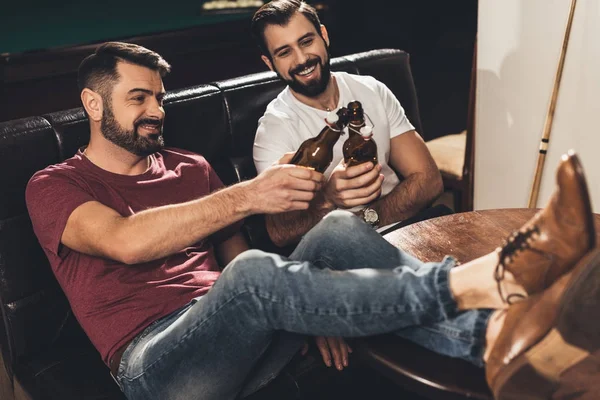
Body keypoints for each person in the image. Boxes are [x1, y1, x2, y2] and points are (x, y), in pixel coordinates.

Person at [25, 41, 599, 400]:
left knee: (339, 229)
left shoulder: (189, 166)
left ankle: (510, 348)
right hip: (158, 367)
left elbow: (233, 266)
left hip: (244, 335)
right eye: (138, 99)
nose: (156, 111)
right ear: (94, 105)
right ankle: (485, 280)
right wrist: (250, 197)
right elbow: (124, 242)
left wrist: (310, 302)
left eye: (159, 97)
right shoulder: (55, 184)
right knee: (253, 272)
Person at [251, 0, 444, 247]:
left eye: (306, 41)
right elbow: (281, 233)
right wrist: (329, 198)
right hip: (342, 251)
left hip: (405, 227)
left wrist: (370, 218)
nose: (302, 59)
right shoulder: (274, 129)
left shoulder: (371, 89)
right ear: (270, 63)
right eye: (284, 52)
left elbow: (428, 179)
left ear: (324, 36)